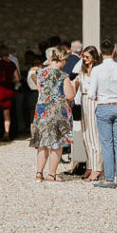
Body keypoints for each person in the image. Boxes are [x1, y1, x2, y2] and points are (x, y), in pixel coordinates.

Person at [86, 41, 117, 188]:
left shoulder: (97, 70)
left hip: (104, 105)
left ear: (101, 51)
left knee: (107, 145)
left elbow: (90, 94)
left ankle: (108, 178)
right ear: (114, 51)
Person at [30, 48, 75, 182]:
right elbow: (70, 95)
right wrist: (75, 86)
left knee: (42, 143)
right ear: (61, 59)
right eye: (65, 60)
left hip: (42, 111)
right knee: (56, 144)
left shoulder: (39, 73)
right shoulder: (63, 75)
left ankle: (39, 173)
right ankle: (52, 174)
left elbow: (40, 90)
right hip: (58, 112)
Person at [75, 46, 103, 181]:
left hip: (94, 101)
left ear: (94, 57)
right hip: (84, 101)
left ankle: (97, 168)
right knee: (86, 135)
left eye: (87, 57)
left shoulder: (98, 70)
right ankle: (89, 165)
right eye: (83, 56)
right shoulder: (82, 70)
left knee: (94, 136)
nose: (85, 59)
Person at [0, 45, 18, 142]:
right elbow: (17, 79)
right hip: (8, 89)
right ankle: (6, 134)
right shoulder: (12, 64)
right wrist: (9, 80)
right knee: (6, 113)